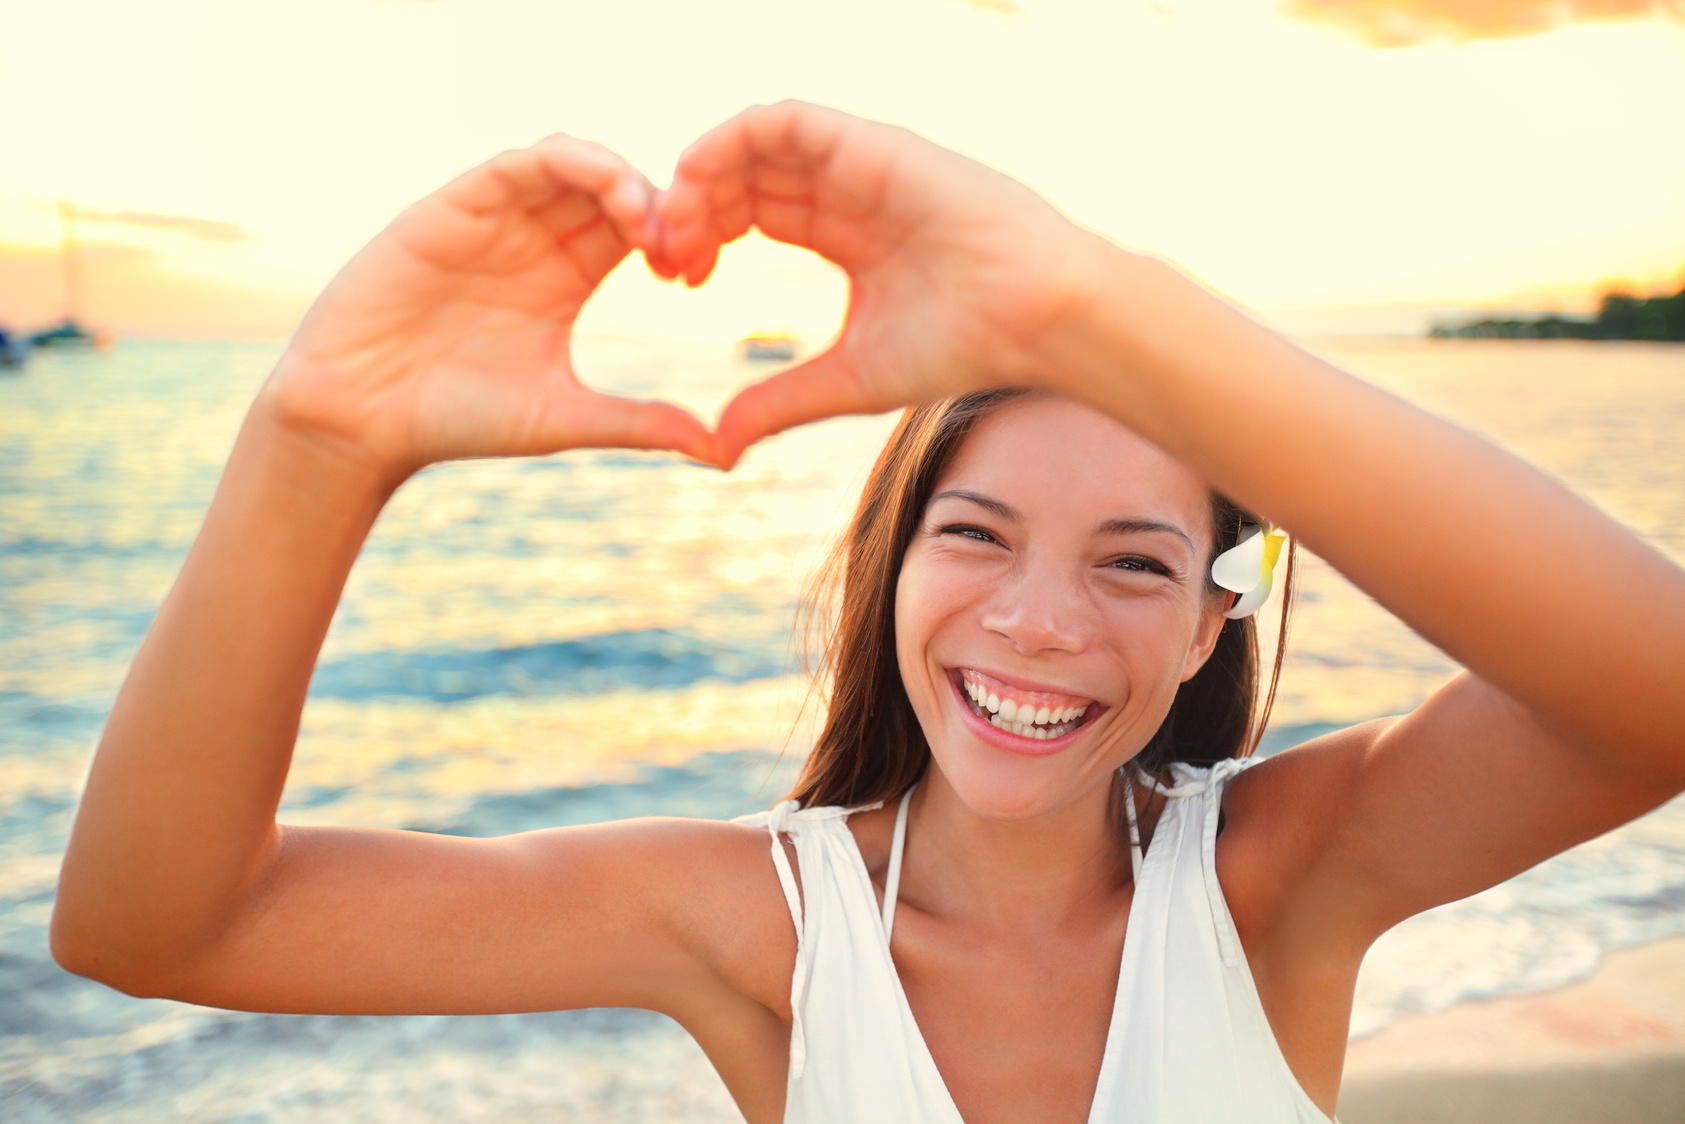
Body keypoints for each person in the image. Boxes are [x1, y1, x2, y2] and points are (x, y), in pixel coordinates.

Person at [50, 102, 1685, 1123]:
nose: (1037, 621)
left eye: (1131, 561)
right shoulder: (758, 922)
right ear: (890, 568)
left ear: (1210, 622)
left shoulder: (1276, 878)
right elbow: (156, 926)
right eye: (972, 535)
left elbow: (1657, 689)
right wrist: (315, 446)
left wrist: (1092, 302)